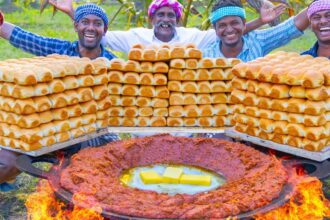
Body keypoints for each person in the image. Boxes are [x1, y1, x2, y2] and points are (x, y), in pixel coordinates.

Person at [0, 3, 119, 188]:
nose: (90, 28)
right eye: (85, 22)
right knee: (4, 163)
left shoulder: (113, 66)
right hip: (44, 132)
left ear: (105, 30)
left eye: (97, 23)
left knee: (87, 180)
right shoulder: (61, 52)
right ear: (76, 26)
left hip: (87, 138)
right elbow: (26, 39)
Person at [50, 0, 286, 54]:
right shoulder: (135, 37)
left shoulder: (193, 37)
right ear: (152, 19)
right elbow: (95, 32)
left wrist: (260, 22)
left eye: (171, 15)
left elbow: (227, 31)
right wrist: (73, 12)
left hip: (184, 119)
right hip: (145, 118)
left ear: (178, 20)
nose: (165, 19)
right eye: (160, 14)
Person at [203, 0, 310, 62]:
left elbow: (290, 28)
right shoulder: (206, 57)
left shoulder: (257, 41)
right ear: (215, 29)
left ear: (244, 23)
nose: (229, 29)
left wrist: (318, 4)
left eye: (234, 23)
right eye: (222, 25)